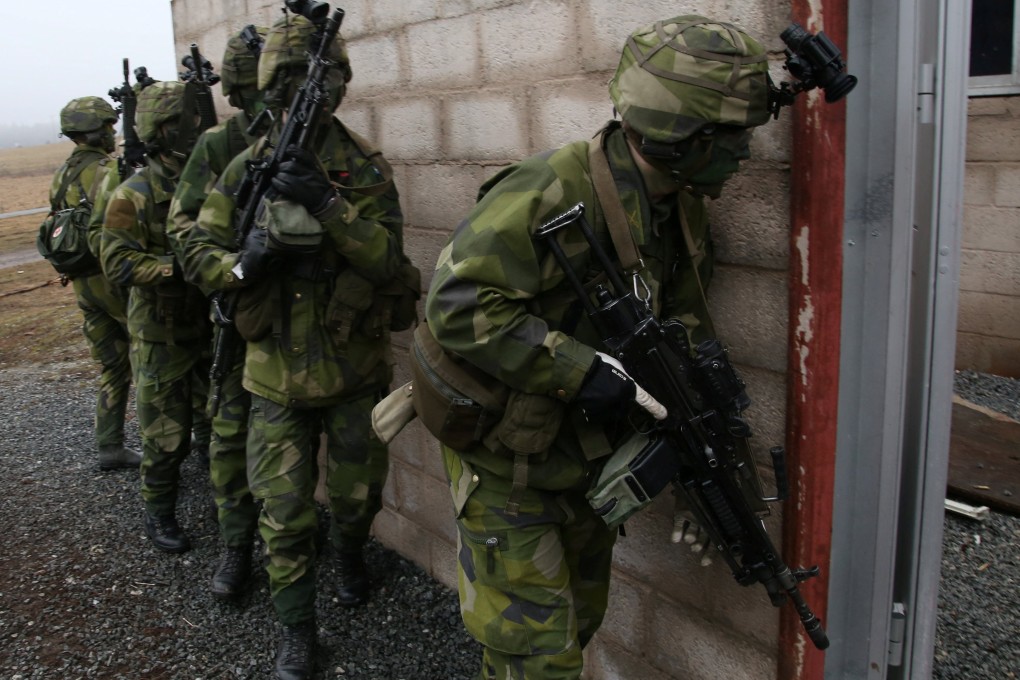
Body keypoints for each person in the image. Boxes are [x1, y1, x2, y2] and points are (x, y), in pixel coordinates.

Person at [421, 16, 771, 679]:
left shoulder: (680, 209)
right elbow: (456, 304)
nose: (745, 154)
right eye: (732, 136)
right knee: (536, 661)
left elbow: (686, 323)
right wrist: (581, 370)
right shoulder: (553, 187)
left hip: (587, 469)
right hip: (509, 472)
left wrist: (708, 417)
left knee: (578, 628)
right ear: (678, 135)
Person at [184, 13, 415, 679]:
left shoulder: (364, 168)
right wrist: (244, 263)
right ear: (264, 91)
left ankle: (349, 552)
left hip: (353, 370)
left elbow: (390, 266)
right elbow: (199, 244)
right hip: (274, 376)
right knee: (282, 518)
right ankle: (296, 630)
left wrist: (328, 207)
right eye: (279, 87)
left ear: (339, 87)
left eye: (308, 84)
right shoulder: (244, 167)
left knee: (355, 499)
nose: (296, 100)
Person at [168, 24, 268, 602]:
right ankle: (237, 545)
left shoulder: (307, 141)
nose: (262, 104)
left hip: (288, 320)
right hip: (234, 313)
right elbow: (183, 228)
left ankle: (296, 542)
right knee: (229, 435)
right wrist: (231, 269)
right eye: (250, 91)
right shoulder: (217, 146)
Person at [100, 80, 212, 555]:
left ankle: (223, 496)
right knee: (165, 435)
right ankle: (159, 510)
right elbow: (117, 263)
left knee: (218, 421)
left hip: (210, 326)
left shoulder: (206, 180)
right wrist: (177, 268)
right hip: (161, 334)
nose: (193, 128)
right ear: (162, 130)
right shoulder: (134, 194)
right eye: (181, 122)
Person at [48, 97, 140, 471]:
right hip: (110, 278)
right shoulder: (105, 171)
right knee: (151, 358)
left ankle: (110, 445)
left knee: (113, 366)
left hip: (84, 283)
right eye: (108, 126)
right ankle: (170, 441)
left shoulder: (62, 172)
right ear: (98, 130)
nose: (113, 133)